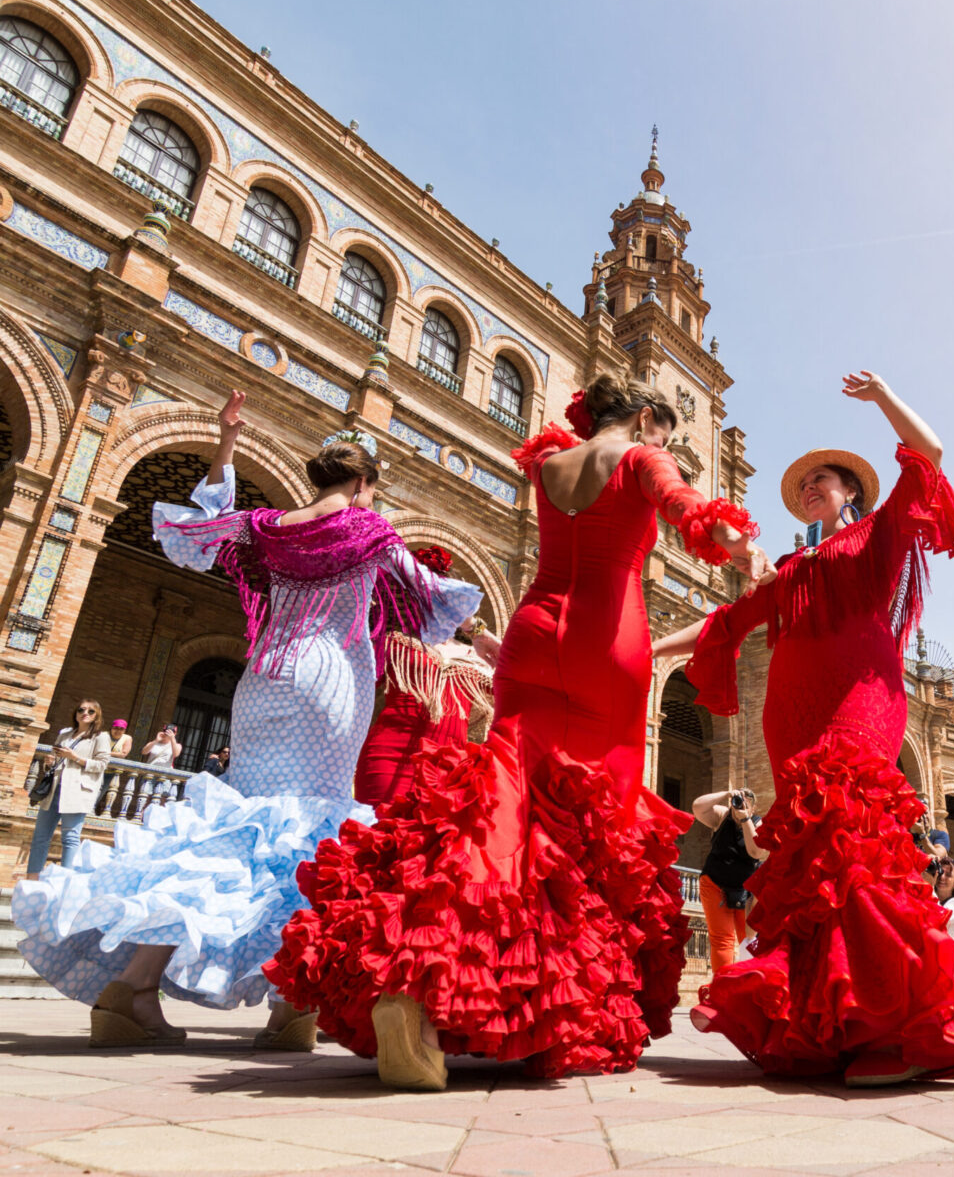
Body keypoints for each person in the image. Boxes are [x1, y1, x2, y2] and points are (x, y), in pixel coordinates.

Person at [267, 374, 768, 1091]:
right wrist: (734, 541)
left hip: (533, 631)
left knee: (500, 806)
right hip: (607, 644)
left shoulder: (551, 463)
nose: (668, 447)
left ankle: (416, 982)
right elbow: (687, 506)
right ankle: (544, 1001)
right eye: (664, 434)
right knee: (594, 827)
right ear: (649, 419)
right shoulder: (638, 458)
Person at [14, 391, 482, 1049]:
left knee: (235, 826)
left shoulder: (267, 528)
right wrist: (482, 639)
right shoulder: (366, 529)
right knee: (312, 833)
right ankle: (291, 1007)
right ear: (361, 484)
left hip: (261, 681)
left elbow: (200, 529)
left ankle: (134, 987)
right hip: (328, 682)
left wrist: (227, 443)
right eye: (370, 490)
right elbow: (427, 597)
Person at [655, 371, 954, 1086]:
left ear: (850, 492)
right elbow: (724, 625)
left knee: (853, 839)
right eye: (802, 485)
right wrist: (643, 651)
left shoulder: (878, 535)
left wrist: (885, 395)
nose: (809, 490)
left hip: (861, 697)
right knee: (813, 865)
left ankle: (894, 1025)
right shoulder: (791, 566)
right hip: (790, 714)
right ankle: (837, 1022)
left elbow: (931, 454)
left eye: (823, 481)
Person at [351, 546, 499, 807]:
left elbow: (519, 693)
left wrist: (480, 631)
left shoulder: (479, 656)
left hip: (448, 773)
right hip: (386, 757)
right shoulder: (393, 639)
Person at [24, 701, 111, 880]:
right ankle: (32, 880)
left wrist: (75, 758)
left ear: (97, 715)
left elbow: (102, 764)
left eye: (90, 711)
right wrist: (49, 763)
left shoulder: (100, 737)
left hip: (77, 791)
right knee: (40, 837)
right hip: (54, 789)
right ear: (75, 713)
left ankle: (65, 881)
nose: (84, 713)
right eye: (81, 710)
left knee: (70, 838)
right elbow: (57, 760)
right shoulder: (65, 734)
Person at [693, 788, 766, 972]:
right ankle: (721, 989)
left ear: (753, 806)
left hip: (745, 890)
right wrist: (727, 794)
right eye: (738, 801)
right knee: (722, 940)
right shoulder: (723, 815)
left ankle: (747, 983)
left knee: (748, 938)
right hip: (715, 883)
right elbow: (697, 807)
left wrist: (745, 819)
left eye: (746, 802)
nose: (741, 804)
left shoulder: (758, 823)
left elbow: (755, 852)